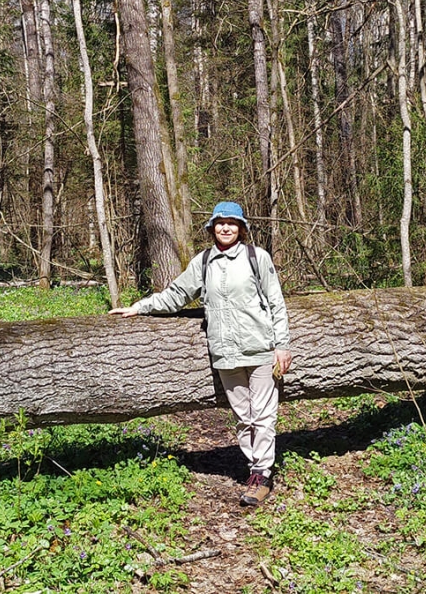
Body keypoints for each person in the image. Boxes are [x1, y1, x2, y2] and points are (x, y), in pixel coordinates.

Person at [110, 201, 292, 506]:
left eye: (232, 223)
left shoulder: (256, 257)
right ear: (211, 228)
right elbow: (177, 295)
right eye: (219, 223)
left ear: (241, 228)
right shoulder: (204, 261)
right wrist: (140, 307)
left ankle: (261, 475)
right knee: (243, 417)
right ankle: (253, 467)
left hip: (261, 350)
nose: (225, 228)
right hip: (225, 353)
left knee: (263, 416)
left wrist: (282, 345)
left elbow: (276, 302)